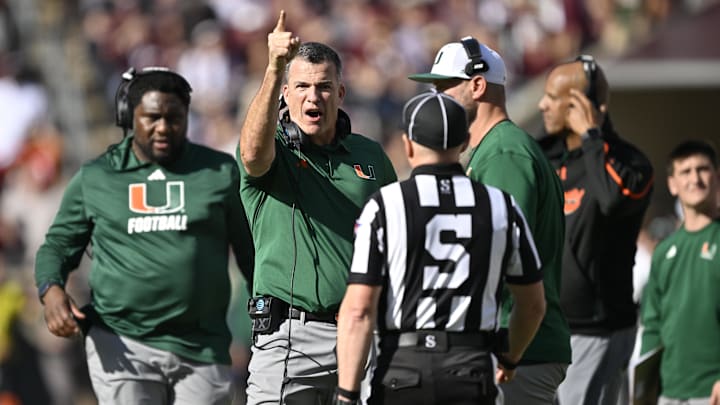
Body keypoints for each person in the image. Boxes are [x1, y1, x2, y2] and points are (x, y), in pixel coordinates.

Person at [34, 66, 254, 405]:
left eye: (174, 117)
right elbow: (59, 246)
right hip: (122, 342)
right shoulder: (97, 177)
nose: (163, 127)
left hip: (203, 342)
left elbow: (250, 252)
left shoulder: (219, 171)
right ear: (127, 116)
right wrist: (51, 291)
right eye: (151, 117)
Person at [334, 91, 546, 405]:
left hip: (403, 369)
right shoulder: (501, 205)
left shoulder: (386, 205)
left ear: (407, 144)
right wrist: (510, 357)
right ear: (464, 143)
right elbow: (532, 305)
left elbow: (358, 309)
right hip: (471, 367)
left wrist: (346, 394)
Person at [237, 10, 397, 405]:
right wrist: (274, 67)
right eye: (303, 87)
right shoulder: (273, 152)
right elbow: (252, 152)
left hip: (362, 334)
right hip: (289, 336)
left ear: (340, 93)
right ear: (285, 95)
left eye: (324, 87)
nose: (313, 97)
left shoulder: (370, 154)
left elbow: (398, 234)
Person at [409, 36, 570, 403]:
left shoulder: (504, 153)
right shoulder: (494, 149)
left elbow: (499, 255)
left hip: (514, 348)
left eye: (444, 88)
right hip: (514, 346)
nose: (436, 99)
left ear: (477, 85)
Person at [537, 55, 654, 405]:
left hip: (596, 330)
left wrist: (592, 136)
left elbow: (610, 200)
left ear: (580, 105)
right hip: (543, 329)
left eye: (553, 97)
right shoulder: (545, 155)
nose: (542, 104)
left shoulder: (630, 163)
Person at [640, 140, 720, 405]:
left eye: (703, 169)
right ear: (672, 184)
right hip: (669, 392)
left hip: (712, 392)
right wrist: (642, 388)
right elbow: (652, 324)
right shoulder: (664, 252)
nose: (694, 179)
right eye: (685, 172)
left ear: (716, 177)